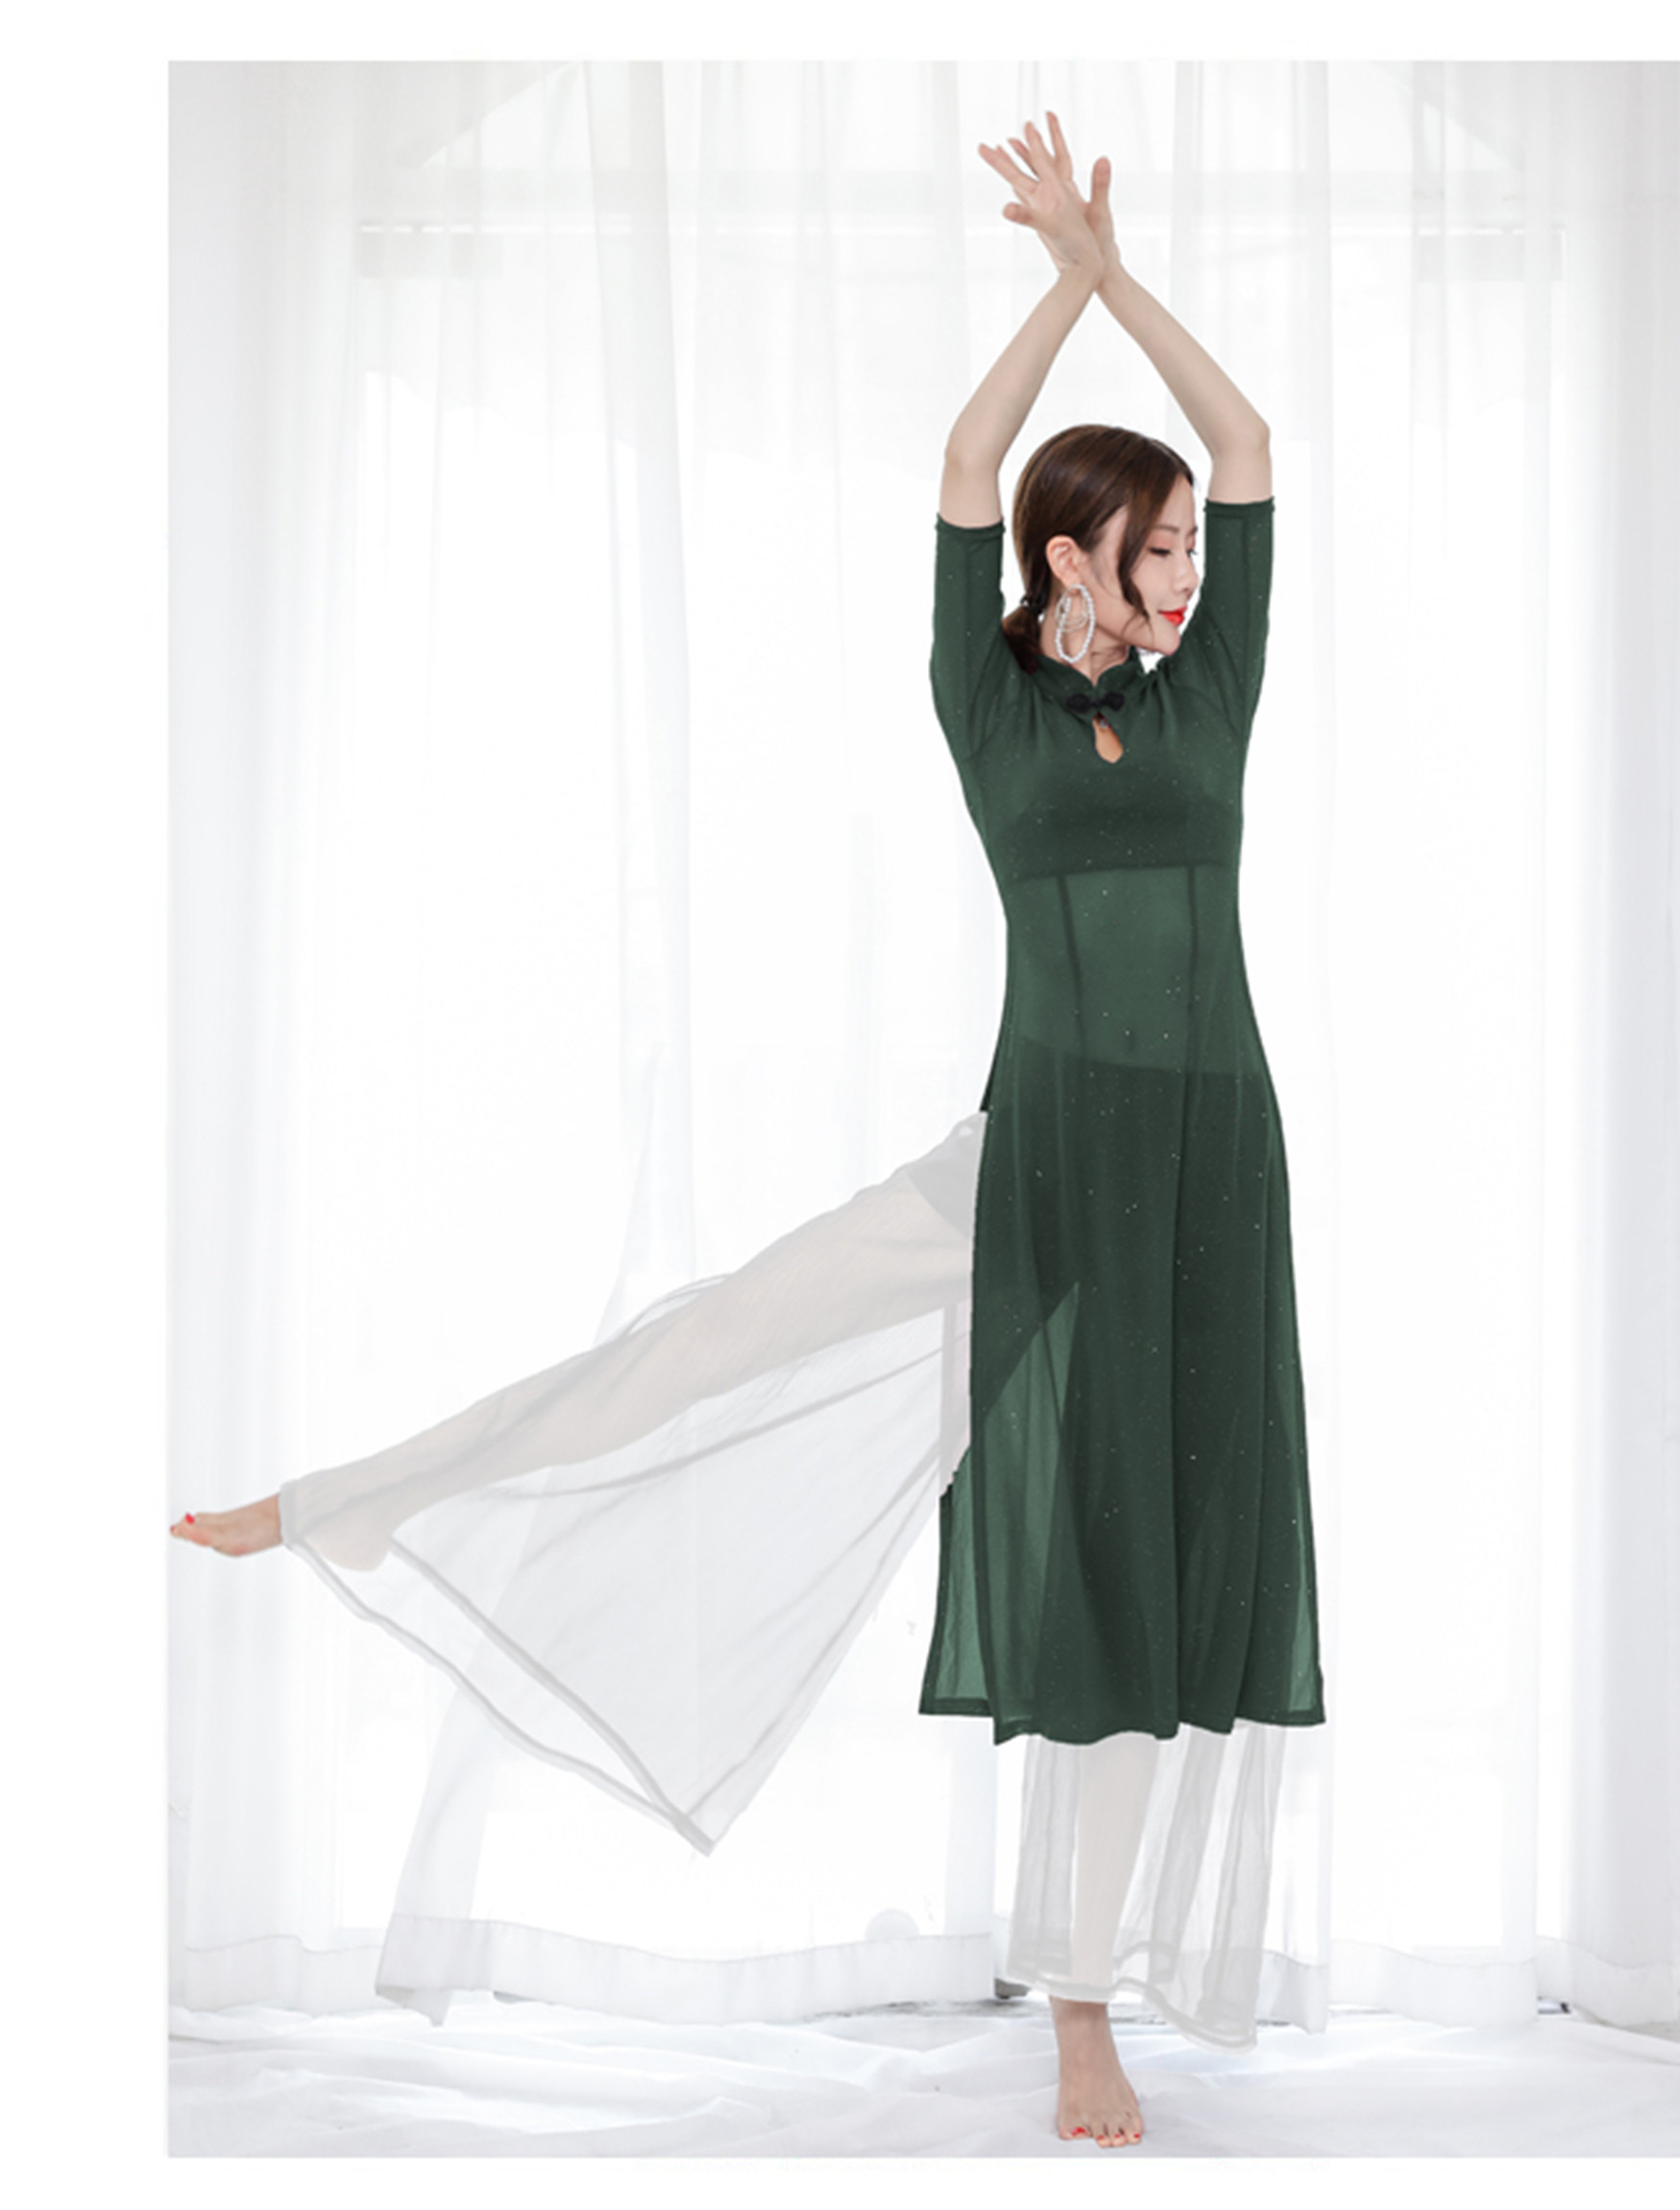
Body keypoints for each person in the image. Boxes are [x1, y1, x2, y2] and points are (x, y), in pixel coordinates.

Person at [174, 113, 1325, 2152]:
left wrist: (1119, 281)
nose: (1188, 574)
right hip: (1035, 1161)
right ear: (1073, 560)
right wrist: (1052, 294)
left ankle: (1085, 2002)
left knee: (1148, 1592)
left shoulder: (1209, 690)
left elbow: (1242, 440)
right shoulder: (991, 705)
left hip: (1216, 1173)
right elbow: (965, 468)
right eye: (1156, 550)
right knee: (724, 1334)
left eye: (1191, 556)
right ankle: (347, 1497)